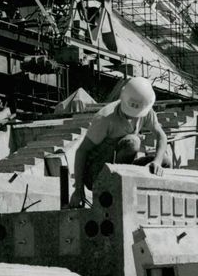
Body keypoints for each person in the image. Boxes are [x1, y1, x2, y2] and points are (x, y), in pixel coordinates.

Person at [69, 77, 171, 208]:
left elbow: (161, 136)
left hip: (121, 167)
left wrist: (157, 162)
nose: (132, 116)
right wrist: (78, 189)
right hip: (96, 174)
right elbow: (81, 151)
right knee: (133, 142)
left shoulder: (145, 110)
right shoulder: (105, 118)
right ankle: (116, 189)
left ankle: (146, 201)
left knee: (165, 162)